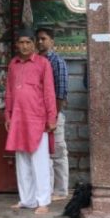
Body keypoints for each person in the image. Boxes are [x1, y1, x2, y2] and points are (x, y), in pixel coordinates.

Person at [5, 30, 57, 214]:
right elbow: (9, 92)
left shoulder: (43, 64)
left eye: (28, 42)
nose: (24, 46)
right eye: (21, 42)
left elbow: (49, 92)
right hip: (18, 118)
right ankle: (27, 199)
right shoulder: (13, 64)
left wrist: (52, 117)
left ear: (34, 44)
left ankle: (43, 201)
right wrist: (8, 116)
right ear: (17, 45)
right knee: (22, 160)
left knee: (39, 161)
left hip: (37, 117)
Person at [35, 27, 69, 201]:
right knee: (44, 153)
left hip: (54, 114)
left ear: (52, 41)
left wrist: (54, 116)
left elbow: (61, 92)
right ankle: (46, 189)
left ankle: (61, 190)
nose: (40, 42)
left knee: (58, 152)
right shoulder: (35, 61)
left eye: (44, 39)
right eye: (38, 39)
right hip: (38, 114)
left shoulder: (57, 62)